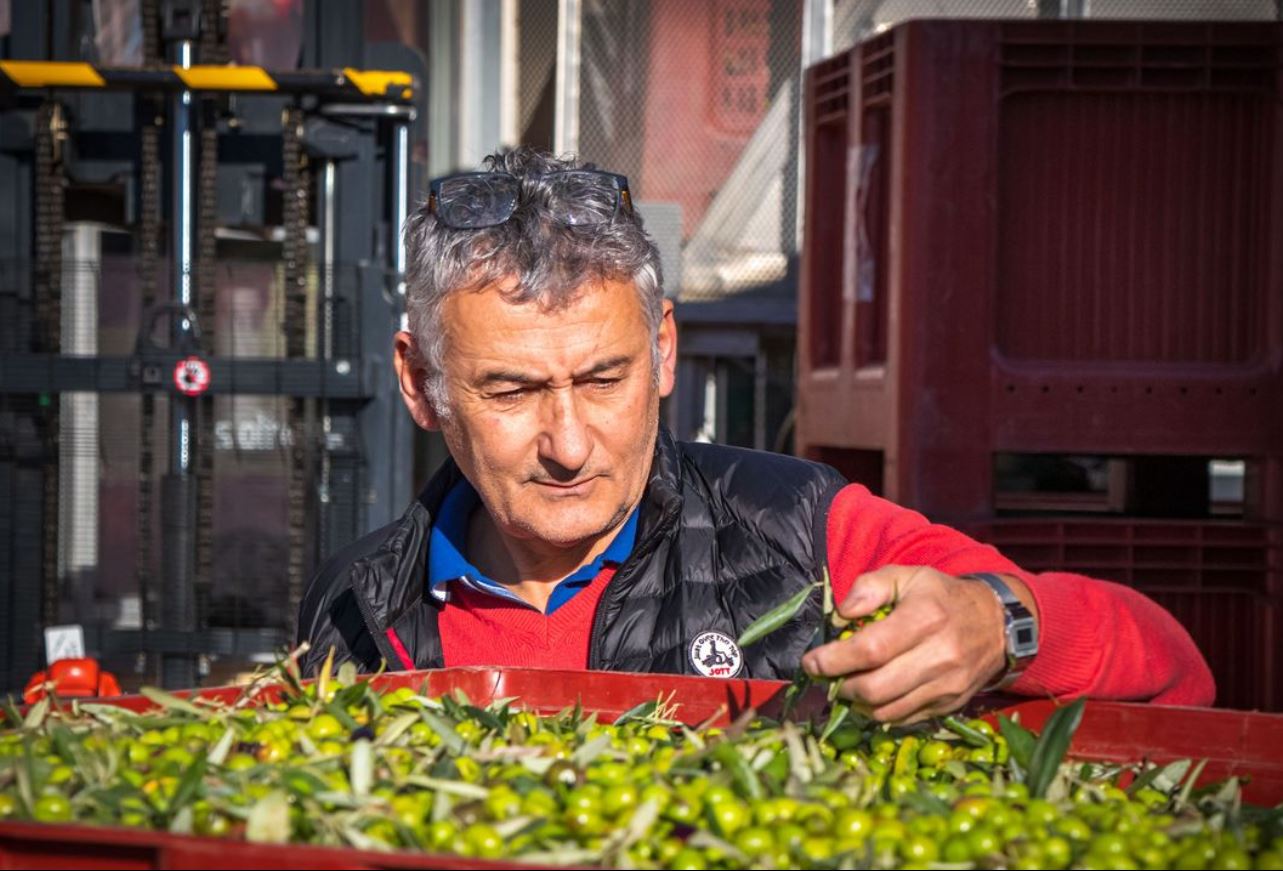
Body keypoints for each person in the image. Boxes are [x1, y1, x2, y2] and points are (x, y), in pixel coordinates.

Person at [297, 147, 1214, 722]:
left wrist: (1003, 623)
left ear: (662, 353)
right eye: (511, 390)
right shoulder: (355, 606)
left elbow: (1176, 674)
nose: (570, 443)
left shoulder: (800, 533)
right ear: (420, 382)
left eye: (605, 378)